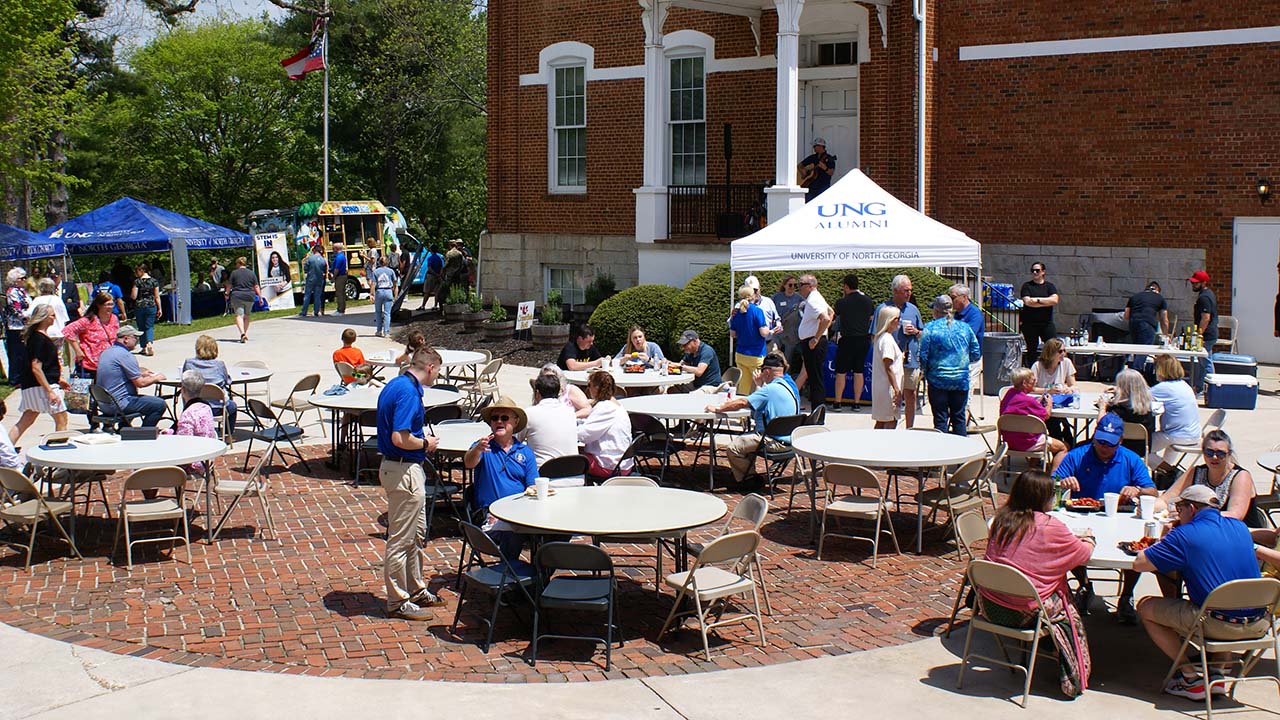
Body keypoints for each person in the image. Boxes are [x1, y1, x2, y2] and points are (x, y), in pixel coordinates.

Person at [1135, 485, 1267, 702]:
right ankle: (1217, 673)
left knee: (1146, 606)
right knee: (1228, 599)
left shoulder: (1183, 535)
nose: (1177, 512)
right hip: (1258, 623)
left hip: (1216, 623)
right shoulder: (1240, 527)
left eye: (1179, 507)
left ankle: (1189, 677)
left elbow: (1141, 564)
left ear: (1192, 508)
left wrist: (1166, 537)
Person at [981, 470, 1095, 698]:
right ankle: (1072, 673)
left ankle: (1046, 646)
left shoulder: (1000, 521)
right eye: (1052, 493)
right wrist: (1090, 539)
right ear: (1042, 497)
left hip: (991, 606)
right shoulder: (1051, 526)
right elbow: (1082, 554)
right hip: (1026, 611)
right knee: (1065, 597)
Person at [1053, 412, 1157, 622]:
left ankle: (1127, 595)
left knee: (1139, 548)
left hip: (1118, 515)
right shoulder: (1077, 455)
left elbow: (1152, 491)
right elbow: (1050, 482)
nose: (1103, 447)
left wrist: (1137, 490)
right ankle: (1084, 585)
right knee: (1064, 545)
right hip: (1081, 516)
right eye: (1099, 441)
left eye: (1109, 444)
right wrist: (1062, 483)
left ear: (1120, 441)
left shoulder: (1130, 459)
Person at [375, 347, 446, 621]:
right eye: (438, 370)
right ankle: (397, 600)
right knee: (401, 539)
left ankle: (415, 589)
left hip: (402, 468)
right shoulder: (407, 392)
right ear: (430, 367)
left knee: (415, 535)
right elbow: (400, 438)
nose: (438, 375)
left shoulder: (397, 384)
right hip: (403, 469)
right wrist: (426, 443)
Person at [465, 395, 537, 559]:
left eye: (504, 418)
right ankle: (508, 573)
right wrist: (477, 450)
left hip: (520, 514)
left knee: (551, 534)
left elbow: (532, 485)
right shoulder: (483, 446)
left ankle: (539, 577)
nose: (499, 421)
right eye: (495, 418)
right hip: (490, 515)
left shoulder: (524, 452)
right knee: (513, 531)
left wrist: (532, 492)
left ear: (515, 422)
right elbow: (469, 463)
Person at [711, 353, 800, 484]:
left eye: (762, 371)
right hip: (790, 441)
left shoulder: (769, 389)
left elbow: (741, 403)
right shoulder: (788, 386)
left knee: (733, 448)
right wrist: (759, 384)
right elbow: (759, 401)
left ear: (767, 371)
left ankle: (749, 479)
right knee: (747, 440)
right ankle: (747, 474)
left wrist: (718, 409)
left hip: (772, 441)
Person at [1159, 430, 1257, 524]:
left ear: (1229, 454)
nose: (1214, 457)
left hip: (1236, 532)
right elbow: (1166, 499)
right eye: (1209, 453)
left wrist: (1192, 515)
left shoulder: (1241, 476)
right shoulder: (1196, 472)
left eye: (1220, 454)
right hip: (1203, 529)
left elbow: (1235, 515)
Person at [919, 294, 981, 435]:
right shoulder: (965, 328)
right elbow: (976, 353)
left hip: (937, 379)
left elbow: (923, 355)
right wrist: (961, 363)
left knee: (940, 418)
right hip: (960, 380)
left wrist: (926, 370)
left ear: (936, 311)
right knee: (959, 417)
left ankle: (942, 452)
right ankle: (961, 453)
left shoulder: (930, 328)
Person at [9, 304, 71, 444]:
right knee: (61, 418)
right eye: (52, 315)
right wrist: (49, 391)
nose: (54, 318)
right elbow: (36, 367)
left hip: (32, 385)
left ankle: (5, 448)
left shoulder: (35, 337)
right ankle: (58, 451)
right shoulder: (39, 338)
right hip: (42, 386)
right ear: (44, 318)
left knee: (27, 418)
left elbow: (45, 365)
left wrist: (58, 379)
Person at [874, 275, 923, 427]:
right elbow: (874, 335)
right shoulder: (883, 310)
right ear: (895, 291)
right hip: (891, 361)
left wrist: (915, 331)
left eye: (910, 290)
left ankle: (909, 428)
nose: (909, 293)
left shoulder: (913, 309)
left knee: (910, 394)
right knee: (890, 406)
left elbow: (923, 333)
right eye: (905, 290)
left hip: (909, 361)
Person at [94, 325, 167, 427]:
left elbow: (117, 373)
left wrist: (140, 373)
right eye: (135, 337)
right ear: (126, 339)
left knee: (136, 398)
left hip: (104, 404)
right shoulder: (125, 355)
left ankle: (124, 429)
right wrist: (156, 377)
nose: (137, 340)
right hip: (119, 404)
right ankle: (145, 434)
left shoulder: (107, 352)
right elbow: (140, 383)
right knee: (159, 404)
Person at [999, 368, 1069, 469]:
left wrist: (1035, 402)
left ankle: (1032, 468)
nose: (1035, 382)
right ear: (1024, 383)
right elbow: (1046, 415)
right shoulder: (1028, 401)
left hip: (1009, 441)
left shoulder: (1009, 394)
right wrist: (1049, 403)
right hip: (1027, 442)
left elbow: (1020, 406)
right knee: (1064, 447)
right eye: (1033, 380)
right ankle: (1055, 478)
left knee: (1038, 433)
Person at [1148, 354, 1201, 472]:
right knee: (1158, 448)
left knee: (1138, 448)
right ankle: (1166, 474)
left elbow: (1139, 397)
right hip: (1192, 434)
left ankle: (1172, 473)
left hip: (1176, 435)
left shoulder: (1164, 387)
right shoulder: (1184, 385)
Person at [578, 371, 634, 480]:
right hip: (622, 463)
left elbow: (584, 435)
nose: (588, 389)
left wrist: (566, 427)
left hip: (609, 465)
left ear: (596, 387)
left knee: (567, 458)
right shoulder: (617, 405)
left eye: (589, 385)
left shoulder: (605, 407)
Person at [832, 273, 875, 412]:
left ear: (845, 286)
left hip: (847, 339)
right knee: (859, 371)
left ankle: (838, 402)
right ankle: (856, 402)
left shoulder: (842, 302)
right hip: (863, 339)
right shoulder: (868, 301)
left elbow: (836, 316)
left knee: (841, 372)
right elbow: (870, 318)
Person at [520, 372, 579, 469]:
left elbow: (512, 441)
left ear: (537, 393)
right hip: (575, 475)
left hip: (542, 478)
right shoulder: (570, 412)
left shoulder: (529, 413)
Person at [182, 334, 238, 435]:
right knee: (232, 407)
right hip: (217, 408)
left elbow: (185, 380)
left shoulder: (189, 363)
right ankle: (227, 434)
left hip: (194, 407)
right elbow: (227, 381)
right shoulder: (219, 364)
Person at [166, 370, 218, 474]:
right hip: (208, 457)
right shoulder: (206, 407)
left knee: (146, 466)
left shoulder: (188, 414)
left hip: (194, 463)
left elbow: (184, 446)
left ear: (183, 389)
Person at [796, 273, 833, 410]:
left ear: (810, 286)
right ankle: (818, 411)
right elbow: (831, 312)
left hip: (813, 342)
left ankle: (818, 413)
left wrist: (816, 337)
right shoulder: (817, 297)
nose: (799, 288)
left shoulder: (812, 301)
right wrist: (822, 333)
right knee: (814, 378)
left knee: (815, 379)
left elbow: (827, 318)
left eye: (801, 285)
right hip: (814, 340)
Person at [63, 293, 119, 379]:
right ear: (99, 305)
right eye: (107, 304)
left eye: (112, 304)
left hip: (109, 364)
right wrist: (77, 350)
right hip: (90, 364)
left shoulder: (114, 319)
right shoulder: (88, 320)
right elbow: (67, 331)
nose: (110, 307)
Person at [1032, 337, 1076, 446]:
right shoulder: (1037, 366)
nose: (1064, 354)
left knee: (1063, 424)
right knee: (1053, 422)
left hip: (1060, 402)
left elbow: (1074, 385)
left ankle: (1066, 446)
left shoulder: (1067, 363)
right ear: (1051, 352)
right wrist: (1047, 390)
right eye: (1060, 351)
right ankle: (1060, 449)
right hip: (1042, 404)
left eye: (1064, 351)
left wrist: (1068, 389)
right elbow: (1031, 389)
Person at [729, 285, 769, 396]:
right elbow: (763, 333)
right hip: (756, 355)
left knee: (743, 387)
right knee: (760, 385)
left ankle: (741, 413)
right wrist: (770, 331)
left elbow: (733, 334)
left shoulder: (736, 313)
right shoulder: (757, 311)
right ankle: (759, 412)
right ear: (752, 296)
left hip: (741, 354)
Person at [1019, 261, 1059, 365]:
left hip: (1046, 323)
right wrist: (1046, 302)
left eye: (1037, 270)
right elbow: (1027, 302)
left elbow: (1054, 300)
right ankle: (1032, 373)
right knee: (1032, 350)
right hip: (1030, 324)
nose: (1035, 272)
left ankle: (1053, 369)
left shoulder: (1049, 286)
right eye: (1033, 270)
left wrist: (1036, 301)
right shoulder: (1027, 286)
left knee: (1053, 347)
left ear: (1043, 272)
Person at [871, 305, 904, 429]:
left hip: (881, 387)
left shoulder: (881, 338)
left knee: (881, 421)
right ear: (889, 320)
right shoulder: (887, 340)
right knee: (891, 421)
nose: (899, 321)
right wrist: (896, 389)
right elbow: (888, 365)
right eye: (897, 318)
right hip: (888, 388)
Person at [1125, 280, 1170, 369]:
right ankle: (1136, 372)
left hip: (1133, 323)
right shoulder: (1160, 298)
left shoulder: (1134, 297)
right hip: (1147, 325)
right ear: (1157, 290)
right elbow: (1164, 319)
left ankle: (1130, 371)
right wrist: (1166, 335)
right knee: (1144, 350)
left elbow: (1126, 316)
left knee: (1135, 349)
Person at [949, 283, 985, 393]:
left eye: (953, 297)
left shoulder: (975, 314)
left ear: (964, 297)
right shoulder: (955, 314)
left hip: (970, 361)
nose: (950, 301)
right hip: (956, 360)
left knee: (964, 397)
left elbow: (967, 336)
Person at [28, 277, 69, 358]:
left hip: (43, 332)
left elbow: (29, 315)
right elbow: (65, 318)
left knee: (43, 356)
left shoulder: (37, 300)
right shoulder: (57, 300)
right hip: (57, 332)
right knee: (58, 356)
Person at [3, 267, 31, 387]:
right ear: (15, 280)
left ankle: (23, 376)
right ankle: (14, 379)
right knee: (16, 353)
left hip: (24, 325)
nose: (24, 280)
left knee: (24, 352)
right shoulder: (12, 292)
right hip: (15, 327)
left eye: (25, 278)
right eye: (21, 278)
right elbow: (16, 310)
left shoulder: (23, 291)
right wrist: (27, 316)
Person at [672, 329, 722, 393]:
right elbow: (681, 364)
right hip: (696, 385)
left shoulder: (707, 351)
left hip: (710, 386)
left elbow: (699, 372)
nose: (683, 347)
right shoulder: (691, 352)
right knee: (672, 390)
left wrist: (681, 367)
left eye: (685, 344)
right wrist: (671, 364)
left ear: (695, 341)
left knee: (693, 396)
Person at [224, 257, 260, 343]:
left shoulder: (234, 273)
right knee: (246, 316)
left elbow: (229, 285)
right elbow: (256, 286)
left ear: (239, 264)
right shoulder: (251, 273)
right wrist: (260, 297)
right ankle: (244, 334)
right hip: (250, 296)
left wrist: (226, 293)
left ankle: (242, 333)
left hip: (238, 296)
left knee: (239, 315)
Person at [742, 275, 783, 350]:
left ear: (759, 288)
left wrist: (778, 326)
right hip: (750, 347)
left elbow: (777, 319)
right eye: (751, 291)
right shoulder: (741, 306)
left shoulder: (768, 302)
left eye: (756, 290)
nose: (754, 293)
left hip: (769, 344)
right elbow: (732, 328)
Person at [772, 275, 803, 370]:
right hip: (778, 332)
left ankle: (785, 377)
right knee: (774, 355)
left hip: (792, 334)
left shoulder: (799, 298)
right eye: (790, 285)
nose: (793, 287)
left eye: (795, 285)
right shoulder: (776, 297)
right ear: (784, 285)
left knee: (787, 359)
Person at [131, 263, 162, 356]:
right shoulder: (154, 281)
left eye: (137, 271)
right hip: (151, 305)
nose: (136, 273)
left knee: (141, 326)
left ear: (142, 270)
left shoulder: (137, 282)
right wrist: (160, 308)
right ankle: (150, 343)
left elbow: (133, 296)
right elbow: (157, 296)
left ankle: (144, 347)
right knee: (149, 326)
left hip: (139, 305)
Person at [1188, 270, 1219, 350]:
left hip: (1207, 335)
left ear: (1204, 283)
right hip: (1209, 333)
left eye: (1196, 283)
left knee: (1204, 359)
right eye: (1192, 283)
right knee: (1205, 358)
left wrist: (1199, 335)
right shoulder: (1207, 294)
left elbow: (1205, 318)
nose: (1193, 285)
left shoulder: (1204, 298)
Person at [371, 256, 398, 338]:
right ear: (387, 262)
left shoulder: (376, 272)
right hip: (388, 291)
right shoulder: (391, 271)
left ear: (379, 262)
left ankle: (379, 331)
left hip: (379, 291)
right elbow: (395, 283)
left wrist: (371, 294)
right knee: (387, 313)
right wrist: (395, 295)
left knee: (378, 312)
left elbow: (373, 284)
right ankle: (386, 332)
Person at [300, 244, 328, 318]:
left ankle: (304, 312)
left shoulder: (310, 259)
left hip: (310, 279)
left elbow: (305, 268)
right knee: (317, 296)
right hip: (319, 279)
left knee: (307, 296)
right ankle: (316, 311)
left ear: (314, 250)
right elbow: (325, 270)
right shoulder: (323, 260)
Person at [419, 244, 444, 311]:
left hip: (431, 276)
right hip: (438, 276)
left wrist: (435, 274)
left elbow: (429, 268)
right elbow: (441, 267)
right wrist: (439, 275)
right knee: (436, 292)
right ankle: (435, 305)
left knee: (427, 291)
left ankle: (423, 305)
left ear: (431, 250)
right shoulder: (439, 258)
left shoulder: (430, 258)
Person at [331, 242, 349, 315]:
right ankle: (341, 309)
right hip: (342, 276)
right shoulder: (342, 256)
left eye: (333, 248)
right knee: (341, 293)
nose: (332, 250)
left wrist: (333, 277)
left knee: (339, 293)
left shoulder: (339, 257)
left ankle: (340, 310)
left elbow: (337, 269)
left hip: (340, 277)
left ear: (336, 248)